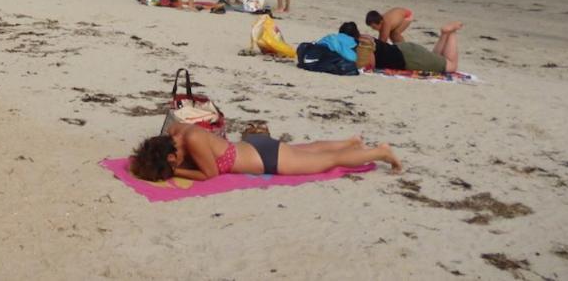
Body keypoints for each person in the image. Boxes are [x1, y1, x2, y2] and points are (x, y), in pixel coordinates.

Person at [130, 120, 400, 183]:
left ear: (170, 156)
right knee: (306, 149)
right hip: (254, 148)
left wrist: (179, 171)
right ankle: (349, 141)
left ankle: (380, 152)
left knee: (329, 161)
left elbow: (209, 174)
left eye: (171, 164)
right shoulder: (179, 131)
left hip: (264, 159)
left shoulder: (193, 141)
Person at [340, 20, 464, 73]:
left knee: (451, 66)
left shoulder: (363, 45)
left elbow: (370, 66)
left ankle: (451, 33)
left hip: (409, 59)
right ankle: (444, 34)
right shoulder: (365, 37)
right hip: (403, 48)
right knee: (435, 58)